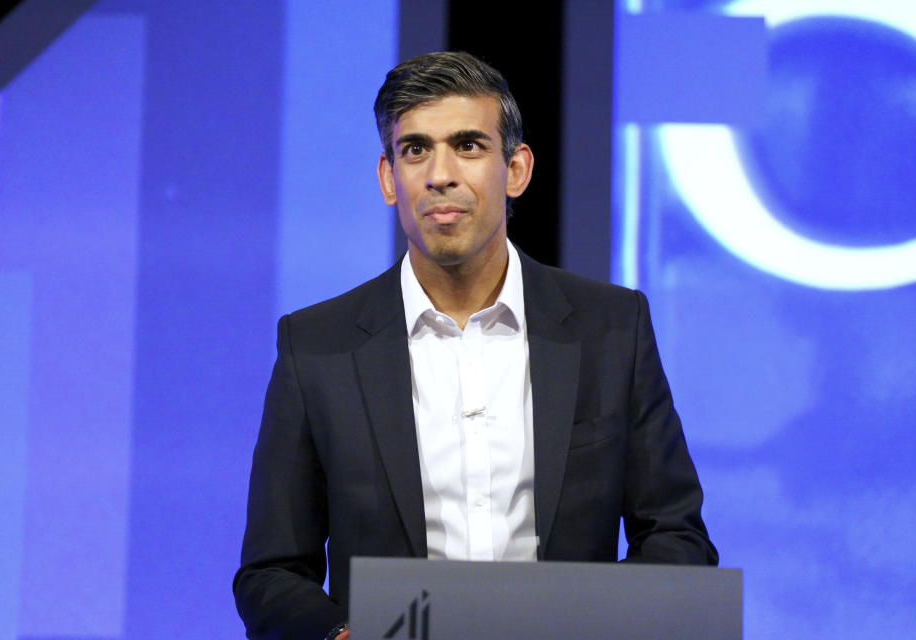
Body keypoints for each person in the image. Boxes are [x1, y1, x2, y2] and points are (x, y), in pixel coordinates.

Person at [234, 51, 717, 640]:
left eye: (468, 146)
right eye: (415, 150)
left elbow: (676, 538)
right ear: (389, 178)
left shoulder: (613, 327)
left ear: (516, 169)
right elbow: (272, 572)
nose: (441, 173)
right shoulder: (315, 347)